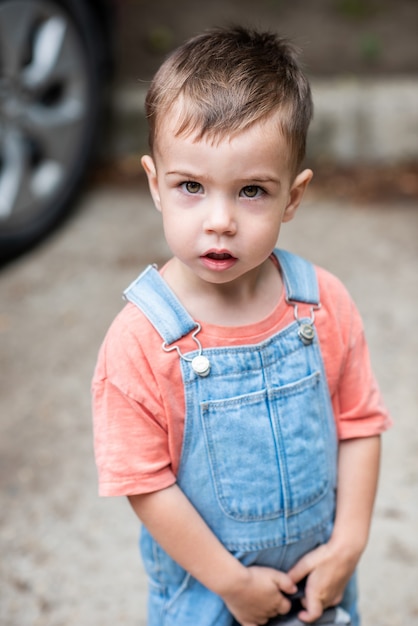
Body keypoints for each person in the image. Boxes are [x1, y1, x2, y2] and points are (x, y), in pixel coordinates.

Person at [92, 26, 391, 626]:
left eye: (252, 190)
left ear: (294, 197)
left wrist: (349, 545)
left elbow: (359, 423)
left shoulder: (322, 305)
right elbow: (145, 483)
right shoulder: (140, 341)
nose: (220, 220)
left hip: (318, 581)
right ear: (155, 184)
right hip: (207, 594)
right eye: (191, 188)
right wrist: (232, 584)